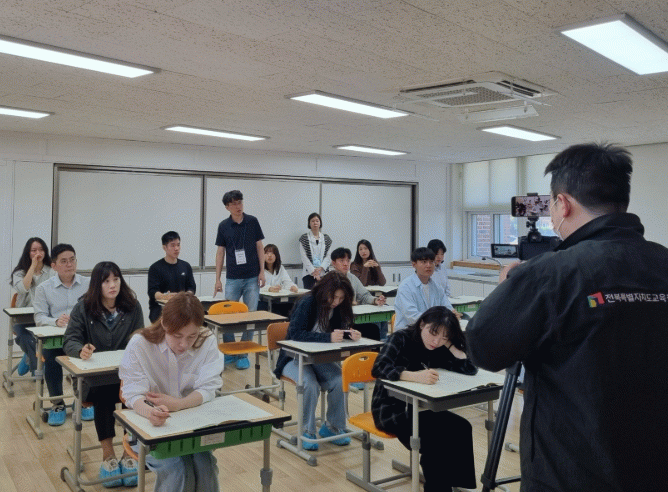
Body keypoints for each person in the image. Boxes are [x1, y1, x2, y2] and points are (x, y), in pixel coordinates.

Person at [466, 143, 668, 492]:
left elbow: (483, 347)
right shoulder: (662, 263)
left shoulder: (551, 273)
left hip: (570, 472)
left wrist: (507, 292)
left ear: (563, 203)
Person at [119, 292, 225, 492]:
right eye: (177, 336)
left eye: (192, 336)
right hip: (149, 428)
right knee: (177, 469)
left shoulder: (207, 340)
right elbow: (132, 394)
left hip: (191, 426)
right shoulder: (140, 344)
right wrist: (150, 412)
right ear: (164, 324)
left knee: (206, 467)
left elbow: (209, 388)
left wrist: (180, 404)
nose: (184, 344)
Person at [372, 306, 477, 492]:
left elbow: (469, 368)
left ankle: (451, 483)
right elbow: (378, 367)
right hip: (393, 408)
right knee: (437, 439)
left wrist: (451, 344)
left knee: (462, 427)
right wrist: (413, 376)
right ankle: (438, 488)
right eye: (433, 333)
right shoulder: (401, 338)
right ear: (422, 324)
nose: (436, 341)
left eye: (444, 337)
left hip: (425, 408)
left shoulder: (440, 347)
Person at [63, 261, 144, 488]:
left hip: (125, 375)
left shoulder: (132, 306)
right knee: (104, 393)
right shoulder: (83, 308)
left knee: (134, 394)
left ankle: (129, 453)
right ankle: (108, 455)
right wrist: (80, 350)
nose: (112, 285)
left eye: (116, 279)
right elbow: (70, 339)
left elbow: (140, 338)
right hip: (94, 378)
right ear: (96, 285)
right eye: (106, 281)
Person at [274, 272, 359, 451]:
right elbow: (295, 334)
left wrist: (349, 334)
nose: (336, 302)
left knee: (339, 380)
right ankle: (307, 431)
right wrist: (328, 338)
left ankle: (332, 427)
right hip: (293, 358)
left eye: (341, 298)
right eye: (334, 297)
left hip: (318, 358)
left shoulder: (338, 307)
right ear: (325, 291)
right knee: (309, 384)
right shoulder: (308, 302)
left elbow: (338, 330)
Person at [33, 243, 91, 426]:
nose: (69, 264)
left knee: (87, 358)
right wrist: (55, 321)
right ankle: (57, 403)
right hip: (55, 340)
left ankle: (82, 400)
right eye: (64, 261)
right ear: (54, 265)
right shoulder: (44, 288)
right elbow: (39, 317)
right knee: (51, 359)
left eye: (72, 260)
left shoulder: (88, 284)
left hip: (79, 338)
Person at [213, 190, 265, 370]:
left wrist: (262, 272)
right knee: (227, 315)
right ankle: (230, 352)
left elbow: (260, 247)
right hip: (233, 277)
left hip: (252, 276)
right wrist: (217, 279)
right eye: (234, 203)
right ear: (227, 207)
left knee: (250, 315)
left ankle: (243, 354)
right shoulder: (223, 226)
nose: (238, 206)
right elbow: (220, 252)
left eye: (240, 202)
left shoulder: (252, 221)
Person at [9, 237, 53, 375]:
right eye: (34, 250)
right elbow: (23, 288)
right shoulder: (19, 272)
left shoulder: (51, 271)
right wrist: (33, 266)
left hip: (44, 317)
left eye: (41, 250)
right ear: (28, 253)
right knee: (24, 337)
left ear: (45, 252)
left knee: (41, 341)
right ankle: (38, 371)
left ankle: (29, 358)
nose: (38, 253)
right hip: (23, 318)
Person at [393, 247, 456, 332]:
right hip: (409, 332)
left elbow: (447, 307)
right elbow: (412, 316)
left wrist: (452, 314)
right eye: (424, 262)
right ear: (414, 264)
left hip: (432, 330)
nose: (428, 265)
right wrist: (437, 321)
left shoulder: (437, 287)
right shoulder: (406, 287)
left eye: (431, 262)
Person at [330, 247, 384, 340]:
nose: (346, 264)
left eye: (348, 260)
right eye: (341, 261)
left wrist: (375, 300)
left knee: (373, 329)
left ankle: (378, 349)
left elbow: (364, 295)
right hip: (334, 322)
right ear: (333, 263)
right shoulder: (328, 279)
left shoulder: (352, 278)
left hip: (351, 320)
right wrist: (347, 303)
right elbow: (326, 302)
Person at [147, 231, 196, 323]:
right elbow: (152, 291)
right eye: (172, 245)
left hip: (182, 308)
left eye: (178, 245)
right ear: (164, 247)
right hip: (161, 310)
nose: (176, 248)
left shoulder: (185, 266)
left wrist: (185, 296)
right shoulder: (155, 268)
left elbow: (191, 287)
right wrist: (164, 297)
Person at [259, 244, 298, 317]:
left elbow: (287, 282)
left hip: (278, 301)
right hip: (263, 301)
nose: (269, 256)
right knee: (276, 312)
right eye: (267, 253)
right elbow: (257, 287)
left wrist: (292, 287)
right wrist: (269, 289)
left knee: (292, 308)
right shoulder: (259, 269)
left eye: (272, 253)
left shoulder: (280, 268)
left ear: (276, 256)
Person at [299, 212, 333, 289]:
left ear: (320, 223)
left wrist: (320, 269)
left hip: (323, 273)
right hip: (308, 273)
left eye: (317, 221)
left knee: (323, 295)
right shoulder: (304, 238)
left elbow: (328, 256)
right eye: (313, 221)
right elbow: (304, 257)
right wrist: (313, 271)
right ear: (309, 223)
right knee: (309, 295)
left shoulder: (327, 239)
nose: (315, 223)